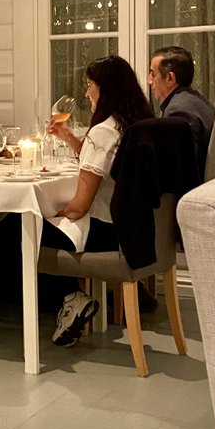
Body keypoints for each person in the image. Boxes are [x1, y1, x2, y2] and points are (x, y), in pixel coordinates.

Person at [44, 54, 153, 345]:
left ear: (105, 89)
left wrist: (50, 213)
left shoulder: (103, 131)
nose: (86, 93)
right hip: (132, 229)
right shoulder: (135, 123)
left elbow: (80, 206)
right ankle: (70, 296)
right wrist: (70, 138)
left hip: (103, 232)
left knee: (17, 231)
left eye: (89, 85)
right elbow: (105, 163)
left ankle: (70, 297)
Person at [148, 45, 215, 181]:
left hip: (193, 190)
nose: (149, 81)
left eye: (153, 74)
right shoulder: (199, 101)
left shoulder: (177, 111)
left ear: (170, 78)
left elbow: (174, 170)